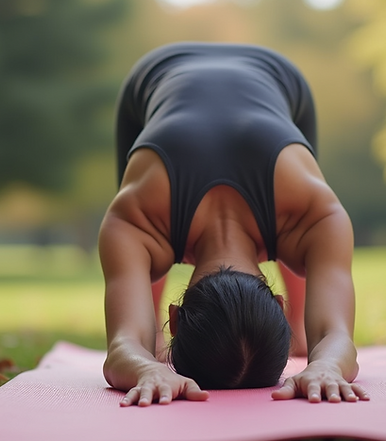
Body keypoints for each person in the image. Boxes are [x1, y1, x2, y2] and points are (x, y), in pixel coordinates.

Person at [99, 42, 367, 407]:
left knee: (141, 256)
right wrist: (144, 363)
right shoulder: (134, 218)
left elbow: (121, 347)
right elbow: (122, 350)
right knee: (140, 258)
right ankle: (157, 343)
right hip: (269, 74)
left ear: (279, 305)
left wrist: (328, 364)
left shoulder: (316, 214)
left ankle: (301, 337)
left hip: (195, 82)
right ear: (176, 319)